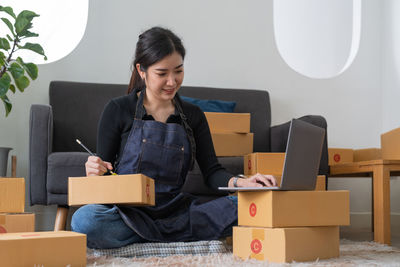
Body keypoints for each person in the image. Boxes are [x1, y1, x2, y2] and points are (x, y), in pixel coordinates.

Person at [71, 26, 276, 249]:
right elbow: (103, 174)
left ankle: (147, 238)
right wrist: (95, 171)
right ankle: (171, 237)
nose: (172, 81)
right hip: (130, 215)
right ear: (142, 70)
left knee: (249, 205)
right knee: (85, 221)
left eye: (178, 71)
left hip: (178, 212)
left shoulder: (193, 115)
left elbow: (212, 172)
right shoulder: (118, 109)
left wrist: (242, 183)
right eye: (162, 73)